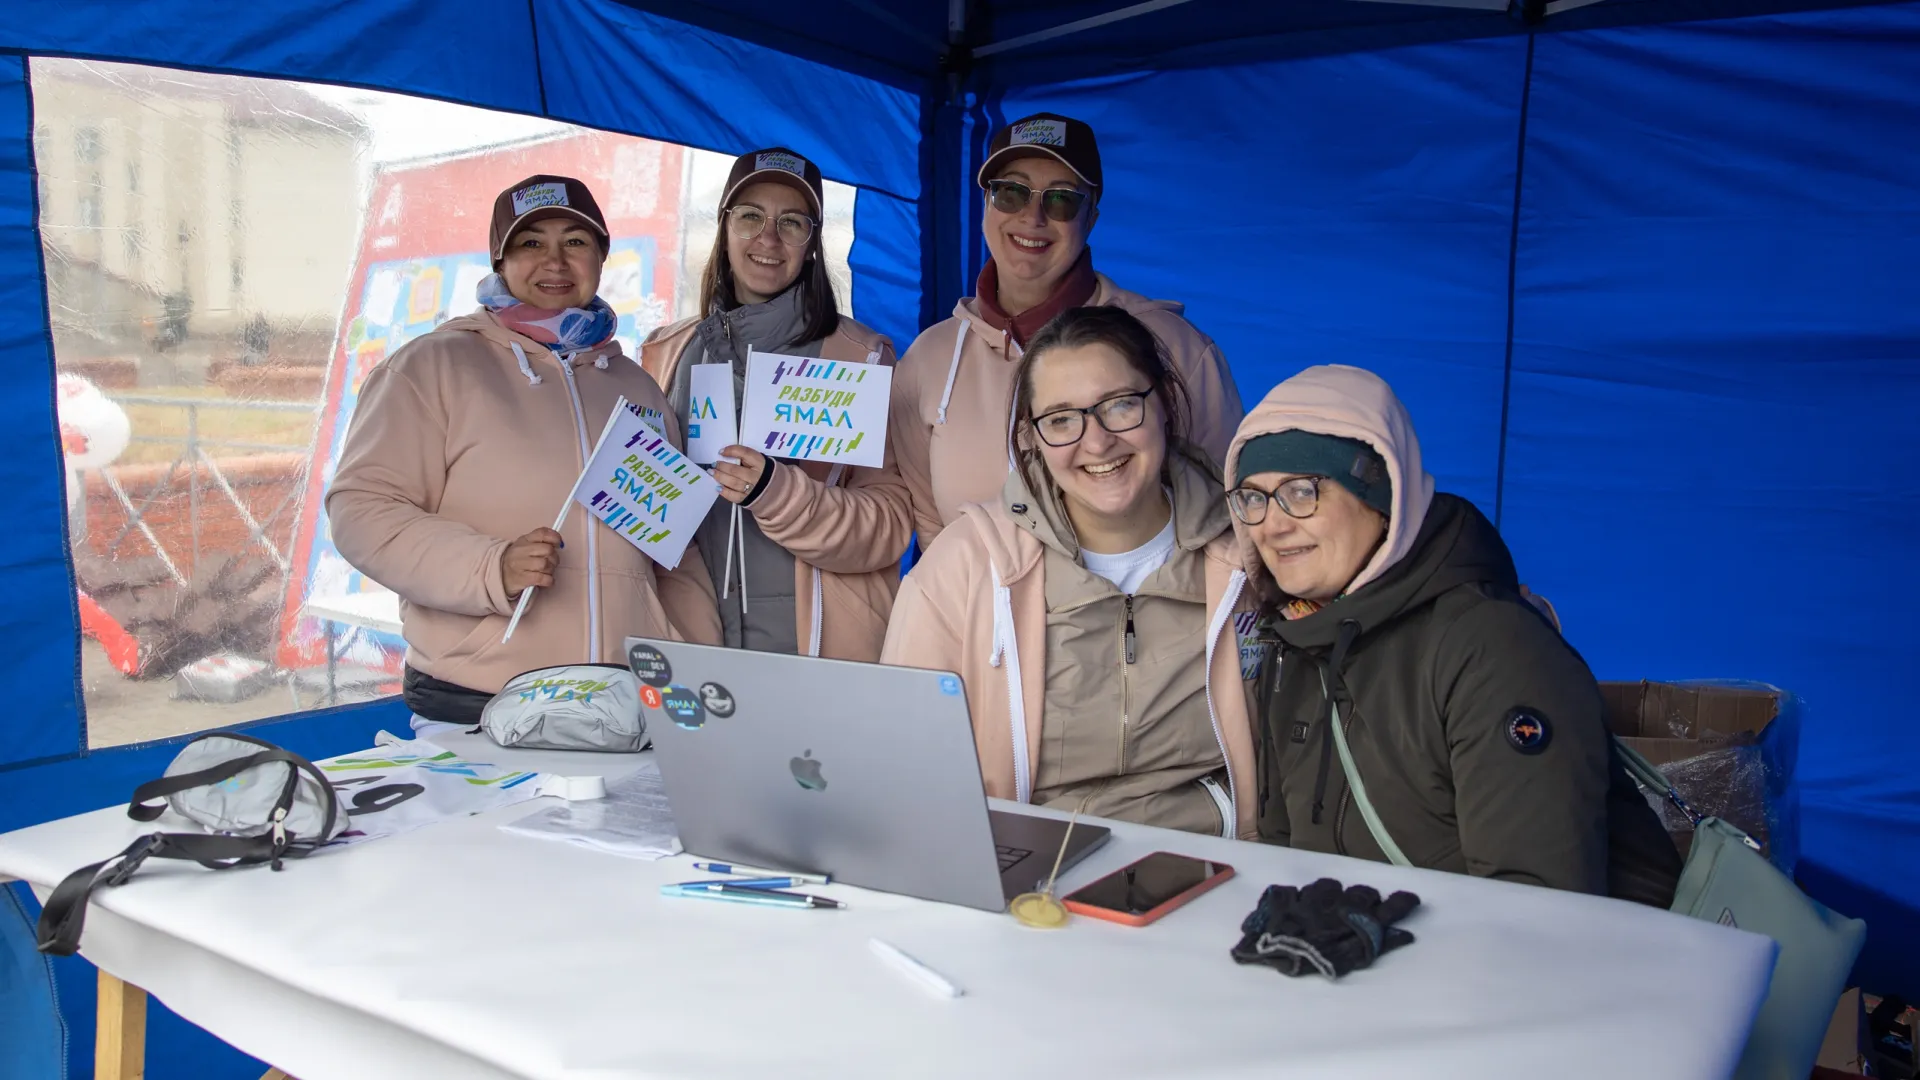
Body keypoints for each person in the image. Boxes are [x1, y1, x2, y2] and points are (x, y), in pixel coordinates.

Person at [1226, 365, 1681, 904]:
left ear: (1381, 499)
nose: (1272, 524)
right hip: (1366, 966)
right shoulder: (1292, 644)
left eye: (1301, 491)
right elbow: (1287, 852)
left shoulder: (1493, 647)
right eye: (1252, 497)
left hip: (1534, 971)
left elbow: (1537, 902)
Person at [328, 174, 721, 725]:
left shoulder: (636, 387)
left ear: (602, 258)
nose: (555, 262)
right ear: (499, 260)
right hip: (480, 700)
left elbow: (675, 549)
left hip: (626, 703)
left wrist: (695, 661)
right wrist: (492, 567)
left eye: (576, 242)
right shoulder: (430, 366)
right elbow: (362, 513)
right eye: (531, 243)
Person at [883, 307, 1259, 838]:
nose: (1098, 441)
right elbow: (902, 762)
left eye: (1121, 405)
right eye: (1061, 419)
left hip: (1219, 868)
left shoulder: (1249, 555)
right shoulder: (966, 566)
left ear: (1164, 405)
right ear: (1031, 437)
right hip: (1032, 878)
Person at [890, 112, 1246, 550]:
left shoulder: (1176, 349)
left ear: (1091, 216)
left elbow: (1229, 515)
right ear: (985, 203)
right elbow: (931, 529)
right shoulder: (929, 359)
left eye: (1061, 200)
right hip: (980, 615)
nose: (1033, 217)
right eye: (1012, 192)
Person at [640, 148, 910, 661]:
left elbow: (890, 526)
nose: (768, 238)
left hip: (820, 655)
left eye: (791, 222)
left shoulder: (861, 358)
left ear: (812, 243)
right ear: (724, 228)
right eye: (750, 217)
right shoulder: (666, 351)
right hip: (697, 650)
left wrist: (779, 493)